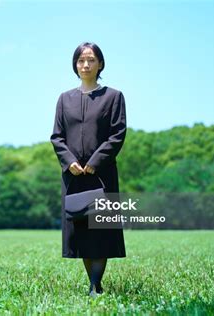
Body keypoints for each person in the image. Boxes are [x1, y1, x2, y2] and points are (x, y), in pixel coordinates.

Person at [50, 42, 127, 298]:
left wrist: (95, 162)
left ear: (100, 64)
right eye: (81, 60)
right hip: (73, 176)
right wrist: (69, 161)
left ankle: (96, 284)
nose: (85, 64)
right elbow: (57, 137)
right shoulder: (64, 99)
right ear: (75, 65)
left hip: (101, 174)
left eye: (91, 60)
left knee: (101, 231)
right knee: (81, 229)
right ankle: (92, 283)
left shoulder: (113, 97)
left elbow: (117, 135)